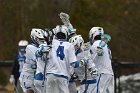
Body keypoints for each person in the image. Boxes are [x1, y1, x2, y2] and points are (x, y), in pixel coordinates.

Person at [44, 25, 78, 93]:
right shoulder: (69, 45)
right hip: (62, 76)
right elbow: (74, 64)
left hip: (50, 75)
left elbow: (44, 56)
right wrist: (83, 62)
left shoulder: (51, 42)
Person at [19, 28, 45, 93]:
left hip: (37, 77)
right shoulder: (30, 47)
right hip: (28, 76)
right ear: (34, 38)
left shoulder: (42, 47)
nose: (41, 41)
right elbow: (37, 59)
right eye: (39, 39)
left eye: (42, 39)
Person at [89, 27, 114, 93]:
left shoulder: (96, 44)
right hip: (110, 73)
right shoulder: (105, 45)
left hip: (102, 73)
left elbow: (91, 60)